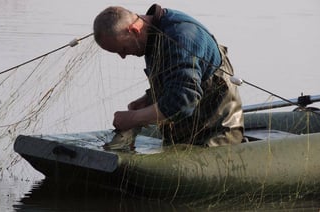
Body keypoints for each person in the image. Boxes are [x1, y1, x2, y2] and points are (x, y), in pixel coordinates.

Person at [93, 4, 244, 147]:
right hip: (185, 132)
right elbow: (174, 79)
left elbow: (183, 101)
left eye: (123, 49)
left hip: (217, 133)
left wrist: (133, 118)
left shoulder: (181, 37)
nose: (123, 56)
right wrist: (149, 99)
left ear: (134, 30)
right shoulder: (151, 34)